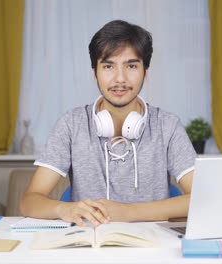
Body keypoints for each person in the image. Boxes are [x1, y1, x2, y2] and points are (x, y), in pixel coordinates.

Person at [20, 20, 196, 227]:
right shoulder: (71, 124)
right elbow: (29, 201)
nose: (119, 79)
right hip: (90, 245)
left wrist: (128, 212)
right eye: (108, 66)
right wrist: (65, 209)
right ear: (95, 73)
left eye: (131, 66)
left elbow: (201, 198)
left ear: (145, 73)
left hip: (153, 246)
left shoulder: (168, 126)